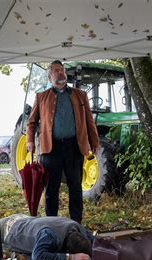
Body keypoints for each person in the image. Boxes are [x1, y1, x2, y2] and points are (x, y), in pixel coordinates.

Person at [26, 60, 100, 224]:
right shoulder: (41, 97)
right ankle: (52, 223)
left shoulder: (80, 95)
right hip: (50, 149)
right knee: (51, 190)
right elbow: (31, 122)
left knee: (75, 188)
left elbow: (89, 121)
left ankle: (76, 223)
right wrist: (29, 140)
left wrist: (94, 141)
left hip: (74, 147)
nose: (60, 73)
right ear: (49, 75)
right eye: (56, 70)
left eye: (62, 70)